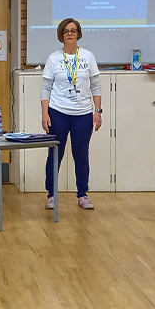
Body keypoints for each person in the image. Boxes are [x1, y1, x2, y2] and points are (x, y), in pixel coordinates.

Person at [40, 18, 102, 210]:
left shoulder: (88, 56)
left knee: (81, 155)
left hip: (83, 114)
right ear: (61, 35)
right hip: (57, 112)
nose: (70, 34)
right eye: (66, 31)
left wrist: (97, 111)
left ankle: (82, 194)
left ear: (78, 34)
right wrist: (45, 113)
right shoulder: (53, 58)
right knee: (55, 153)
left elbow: (96, 85)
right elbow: (45, 88)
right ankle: (51, 195)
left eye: (73, 30)